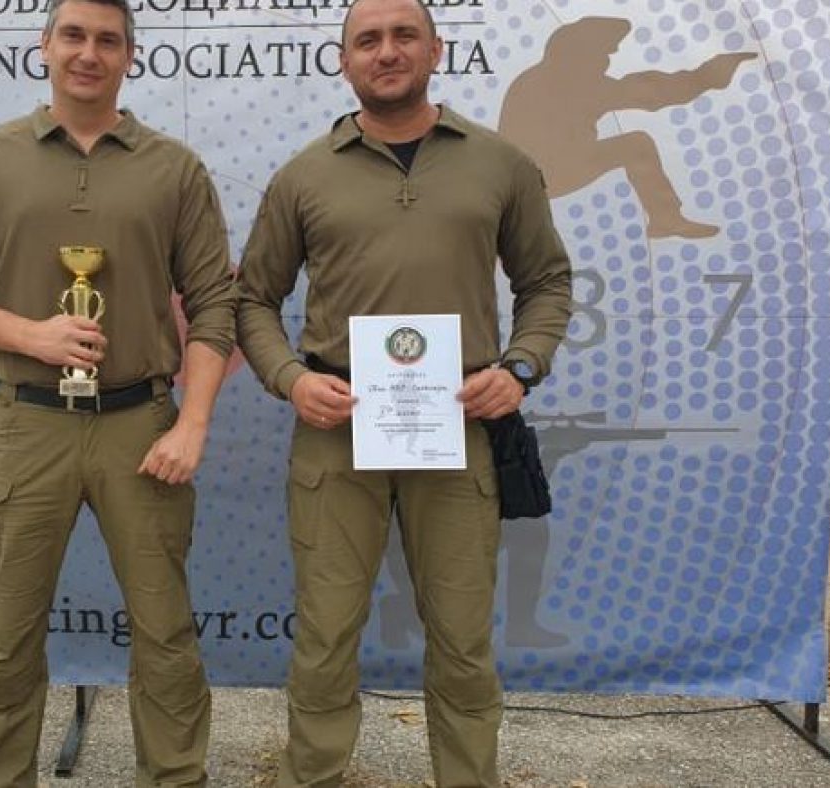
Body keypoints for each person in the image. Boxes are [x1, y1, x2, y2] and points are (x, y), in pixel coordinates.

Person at [235, 0, 572, 784]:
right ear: (344, 59)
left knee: (461, 637)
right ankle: (311, 775)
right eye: (368, 40)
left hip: (457, 425)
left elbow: (548, 283)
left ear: (435, 50)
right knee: (326, 633)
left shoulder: (499, 165)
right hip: (337, 428)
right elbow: (253, 300)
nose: (386, 51)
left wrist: (519, 369)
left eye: (403, 35)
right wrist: (291, 379)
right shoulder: (304, 176)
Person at [0, 0, 236, 784]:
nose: (90, 53)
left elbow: (216, 304)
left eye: (108, 40)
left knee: (166, 636)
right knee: (7, 641)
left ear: (130, 56)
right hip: (25, 424)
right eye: (74, 36)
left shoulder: (174, 169)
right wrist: (33, 336)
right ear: (45, 47)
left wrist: (192, 423)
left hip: (142, 425)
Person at [498, 16, 755, 240]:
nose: (606, 62)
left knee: (633, 144)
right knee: (635, 145)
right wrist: (706, 77)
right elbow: (652, 92)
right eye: (604, 54)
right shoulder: (575, 82)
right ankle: (666, 219)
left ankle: (666, 220)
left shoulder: (535, 77)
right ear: (581, 54)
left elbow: (645, 90)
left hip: (518, 181)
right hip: (541, 177)